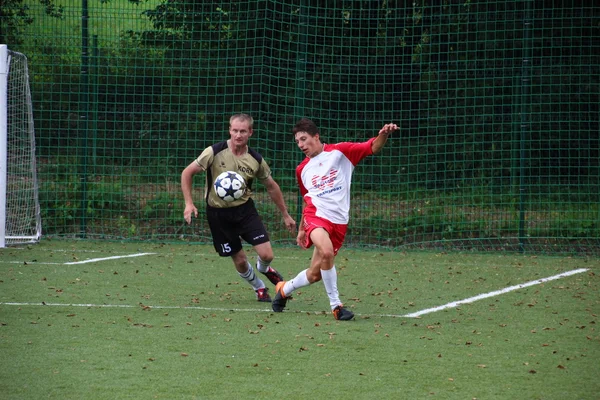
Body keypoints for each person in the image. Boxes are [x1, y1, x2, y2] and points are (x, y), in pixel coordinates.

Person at [272, 118, 398, 320]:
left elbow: (372, 147)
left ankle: (284, 289)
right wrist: (303, 228)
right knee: (327, 252)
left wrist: (384, 134)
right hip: (316, 217)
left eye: (304, 139)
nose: (301, 145)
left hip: (338, 222)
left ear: (316, 136)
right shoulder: (302, 169)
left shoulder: (341, 152)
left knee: (315, 273)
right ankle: (337, 306)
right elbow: (308, 199)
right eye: (297, 142)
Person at [181, 113, 296, 302]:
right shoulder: (213, 152)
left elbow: (271, 186)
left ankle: (264, 269)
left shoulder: (255, 159)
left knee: (267, 254)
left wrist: (285, 214)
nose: (238, 135)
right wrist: (189, 203)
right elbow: (187, 173)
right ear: (229, 130)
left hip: (244, 211)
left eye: (242, 131)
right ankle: (259, 287)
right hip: (218, 214)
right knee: (241, 261)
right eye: (234, 130)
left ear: (250, 132)